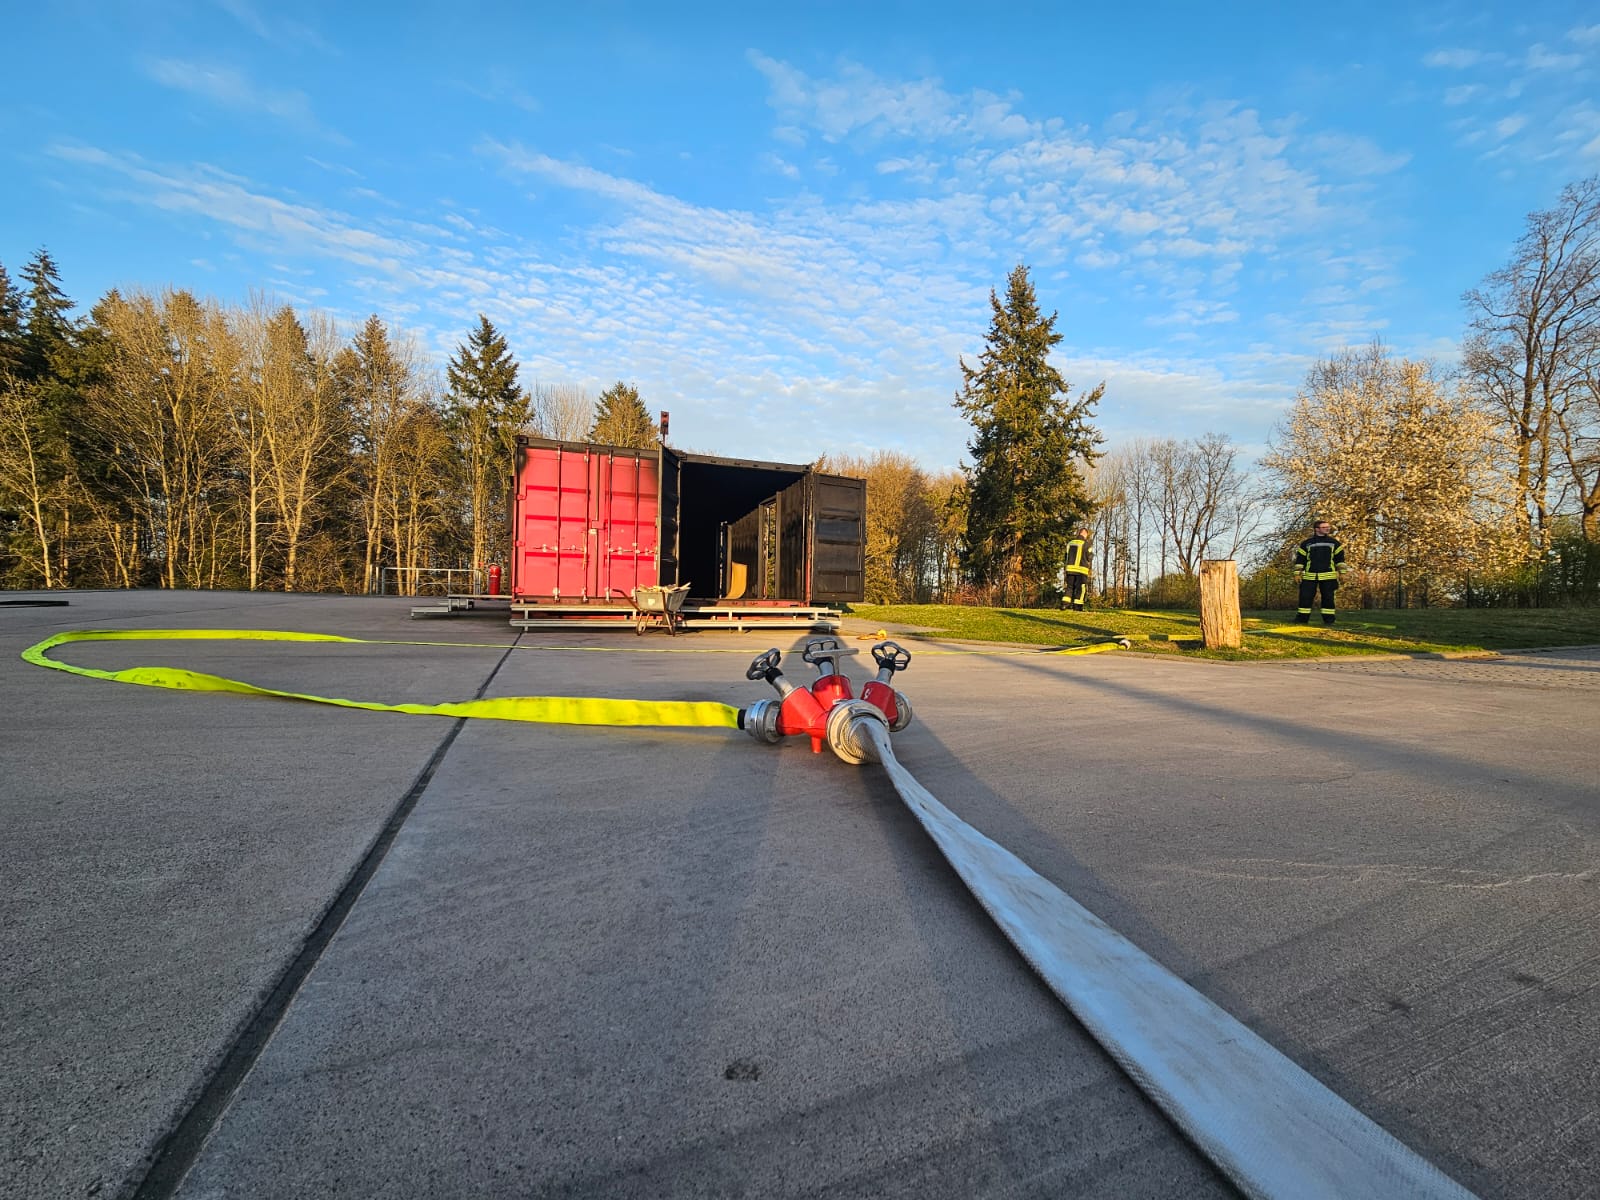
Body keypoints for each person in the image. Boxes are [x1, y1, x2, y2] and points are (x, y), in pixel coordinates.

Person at [1294, 520, 1344, 625]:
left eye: (1328, 527)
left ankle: (1329, 621)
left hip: (1328, 576)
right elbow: (1300, 560)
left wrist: (1343, 573)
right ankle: (1302, 620)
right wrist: (1297, 574)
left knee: (1328, 599)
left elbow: (1340, 560)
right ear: (1317, 529)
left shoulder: (1334, 543)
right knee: (1305, 598)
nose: (1328, 529)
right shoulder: (1306, 544)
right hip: (1309, 576)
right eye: (1324, 527)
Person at [1062, 529, 1092, 611]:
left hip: (1070, 569)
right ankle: (1077, 606)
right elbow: (1089, 557)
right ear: (1085, 535)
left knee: (1069, 587)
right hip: (1081, 570)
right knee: (1081, 588)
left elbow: (1066, 556)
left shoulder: (1070, 543)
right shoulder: (1087, 545)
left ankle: (1064, 604)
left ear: (1079, 533)